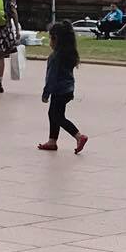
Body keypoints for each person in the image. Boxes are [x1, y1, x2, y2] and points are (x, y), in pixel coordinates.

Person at [39, 19, 88, 154]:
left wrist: (46, 93)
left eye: (50, 38)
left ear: (56, 39)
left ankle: (79, 136)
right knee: (54, 114)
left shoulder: (55, 57)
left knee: (57, 116)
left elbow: (51, 77)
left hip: (58, 91)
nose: (49, 42)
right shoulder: (69, 54)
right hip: (68, 90)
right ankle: (52, 141)